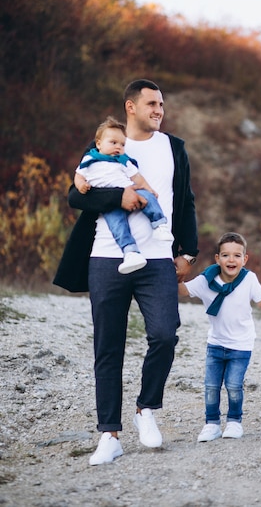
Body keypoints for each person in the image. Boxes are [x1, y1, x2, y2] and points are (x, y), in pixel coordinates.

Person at [54, 79, 198, 465]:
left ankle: (146, 409)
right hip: (106, 256)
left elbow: (185, 201)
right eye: (151, 103)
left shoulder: (174, 148)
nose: (159, 110)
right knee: (108, 345)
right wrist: (119, 196)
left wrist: (189, 252)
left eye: (162, 105)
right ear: (130, 106)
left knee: (165, 334)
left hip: (158, 259)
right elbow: (75, 194)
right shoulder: (109, 143)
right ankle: (110, 434)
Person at [179, 232, 261, 442]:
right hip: (216, 343)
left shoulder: (249, 279)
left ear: (244, 259)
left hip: (241, 345)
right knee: (211, 386)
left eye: (237, 256)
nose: (231, 260)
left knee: (234, 386)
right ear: (217, 259)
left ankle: (235, 422)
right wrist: (173, 272)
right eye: (226, 255)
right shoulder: (206, 280)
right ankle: (212, 424)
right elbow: (183, 291)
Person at [74, 115, 174, 274]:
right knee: (117, 225)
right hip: (109, 203)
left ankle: (159, 224)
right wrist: (81, 185)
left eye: (122, 144)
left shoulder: (122, 160)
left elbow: (137, 177)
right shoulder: (90, 158)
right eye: (113, 143)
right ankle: (131, 252)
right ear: (99, 144)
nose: (118, 147)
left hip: (131, 189)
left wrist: (149, 189)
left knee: (148, 198)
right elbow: (79, 175)